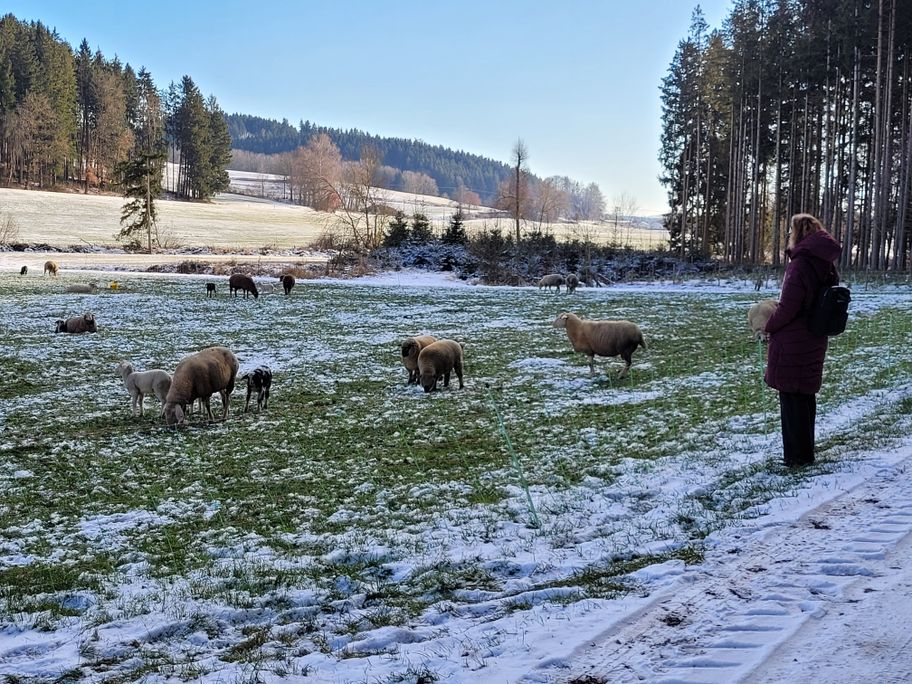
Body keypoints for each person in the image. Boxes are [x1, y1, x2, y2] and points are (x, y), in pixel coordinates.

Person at [764, 213, 841, 467]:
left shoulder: (799, 264)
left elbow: (788, 308)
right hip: (814, 337)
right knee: (805, 397)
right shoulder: (825, 263)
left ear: (796, 234)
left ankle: (795, 458)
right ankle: (805, 454)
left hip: (793, 341)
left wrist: (769, 325)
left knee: (791, 399)